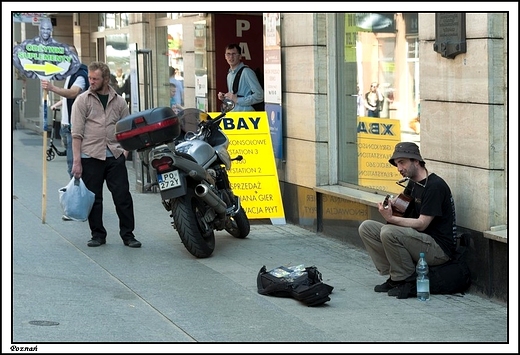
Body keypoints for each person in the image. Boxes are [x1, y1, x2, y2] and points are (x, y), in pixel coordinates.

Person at [358, 142, 457, 298]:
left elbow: (422, 224)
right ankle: (393, 274)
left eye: (402, 162)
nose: (399, 168)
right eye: (397, 164)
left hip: (438, 249)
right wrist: (392, 208)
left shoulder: (434, 186)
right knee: (367, 227)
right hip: (419, 240)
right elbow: (403, 210)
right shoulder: (413, 183)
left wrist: (391, 219)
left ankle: (403, 279)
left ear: (416, 161)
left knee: (389, 232)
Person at [70, 61, 141, 248]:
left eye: (95, 78)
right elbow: (76, 133)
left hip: (114, 155)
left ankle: (128, 235)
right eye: (89, 78)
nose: (91, 82)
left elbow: (128, 128)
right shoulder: (82, 100)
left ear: (106, 79)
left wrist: (125, 151)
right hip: (90, 155)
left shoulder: (118, 101)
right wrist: (77, 161)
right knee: (94, 198)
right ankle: (98, 235)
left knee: (122, 196)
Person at [41, 45, 88, 180]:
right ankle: (77, 195)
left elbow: (74, 93)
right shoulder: (71, 74)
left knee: (74, 166)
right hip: (67, 125)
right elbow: (71, 96)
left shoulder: (80, 74)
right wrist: (58, 103)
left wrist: (52, 88)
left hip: (75, 127)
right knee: (71, 164)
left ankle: (78, 197)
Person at [13, 17, 80, 81]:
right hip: (35, 73)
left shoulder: (58, 46)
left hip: (51, 74)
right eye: (43, 29)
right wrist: (24, 71)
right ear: (39, 29)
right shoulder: (31, 43)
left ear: (51, 30)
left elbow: (76, 63)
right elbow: (14, 54)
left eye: (48, 29)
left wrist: (63, 75)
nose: (45, 31)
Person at [217, 43, 263, 112]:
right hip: (235, 115)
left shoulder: (247, 72)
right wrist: (225, 98)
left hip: (247, 115)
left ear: (240, 56)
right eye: (228, 54)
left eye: (234, 54)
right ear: (225, 56)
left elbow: (260, 95)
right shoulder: (229, 74)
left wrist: (238, 100)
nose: (231, 57)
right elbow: (233, 98)